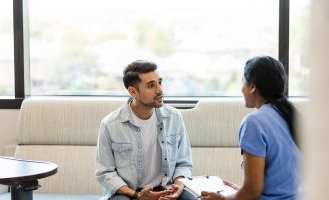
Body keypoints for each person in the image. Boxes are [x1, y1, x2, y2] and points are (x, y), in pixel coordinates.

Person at [201, 56, 300, 200]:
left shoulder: (254, 123)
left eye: (243, 82)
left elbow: (253, 190)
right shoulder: (292, 115)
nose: (242, 89)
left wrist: (223, 199)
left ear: (253, 87)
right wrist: (240, 193)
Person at [95, 60, 197, 200]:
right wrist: (137, 195)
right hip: (130, 193)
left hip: (167, 188)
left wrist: (177, 191)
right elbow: (105, 173)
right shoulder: (110, 125)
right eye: (151, 85)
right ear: (133, 91)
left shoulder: (174, 117)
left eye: (160, 82)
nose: (160, 90)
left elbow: (183, 163)